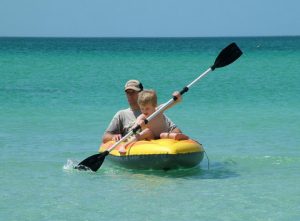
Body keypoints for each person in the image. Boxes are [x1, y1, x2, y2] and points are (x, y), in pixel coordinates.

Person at [102, 79, 183, 144]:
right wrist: (113, 137)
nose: (130, 95)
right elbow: (105, 137)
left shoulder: (153, 111)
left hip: (157, 145)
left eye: (133, 92)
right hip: (138, 147)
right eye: (128, 92)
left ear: (141, 93)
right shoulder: (121, 114)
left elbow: (176, 130)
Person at [118, 89, 189, 153]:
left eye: (147, 108)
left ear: (154, 105)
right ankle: (124, 145)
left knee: (163, 134)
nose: (144, 111)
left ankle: (177, 136)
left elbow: (175, 101)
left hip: (162, 136)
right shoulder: (142, 117)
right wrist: (138, 126)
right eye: (142, 108)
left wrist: (177, 96)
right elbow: (133, 129)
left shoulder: (159, 110)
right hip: (150, 137)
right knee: (147, 132)